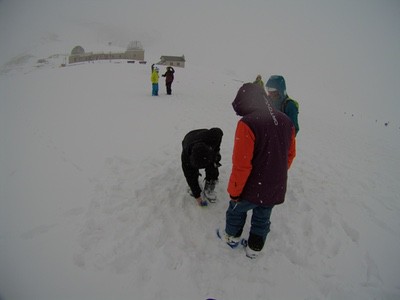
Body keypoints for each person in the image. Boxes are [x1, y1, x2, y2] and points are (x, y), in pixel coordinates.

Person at [218, 83, 296, 259]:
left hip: (250, 186)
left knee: (236, 211)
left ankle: (232, 237)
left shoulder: (248, 123)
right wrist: (274, 173)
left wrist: (235, 191)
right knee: (263, 216)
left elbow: (241, 164)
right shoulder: (286, 121)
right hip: (274, 186)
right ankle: (255, 248)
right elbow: (289, 155)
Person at [181, 128, 223, 206]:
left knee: (213, 165)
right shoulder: (186, 157)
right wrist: (197, 195)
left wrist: (216, 150)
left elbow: (219, 131)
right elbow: (189, 176)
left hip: (206, 138)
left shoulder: (214, 137)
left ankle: (210, 184)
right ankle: (194, 186)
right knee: (191, 173)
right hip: (189, 137)